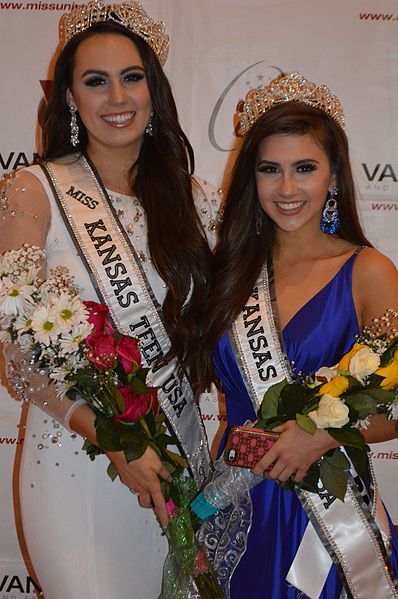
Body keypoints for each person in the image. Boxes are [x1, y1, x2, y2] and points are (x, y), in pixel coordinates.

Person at [0, 2, 221, 597]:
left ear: (154, 88)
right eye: (95, 81)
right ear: (70, 97)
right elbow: (18, 355)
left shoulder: (196, 201)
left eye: (132, 76)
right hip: (79, 460)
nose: (116, 96)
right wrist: (113, 440)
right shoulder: (36, 189)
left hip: (178, 457)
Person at [189, 72, 398, 598]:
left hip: (328, 514)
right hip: (236, 505)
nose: (286, 189)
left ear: (334, 176)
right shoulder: (229, 274)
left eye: (305, 168)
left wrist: (323, 433)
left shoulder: (367, 270)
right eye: (269, 170)